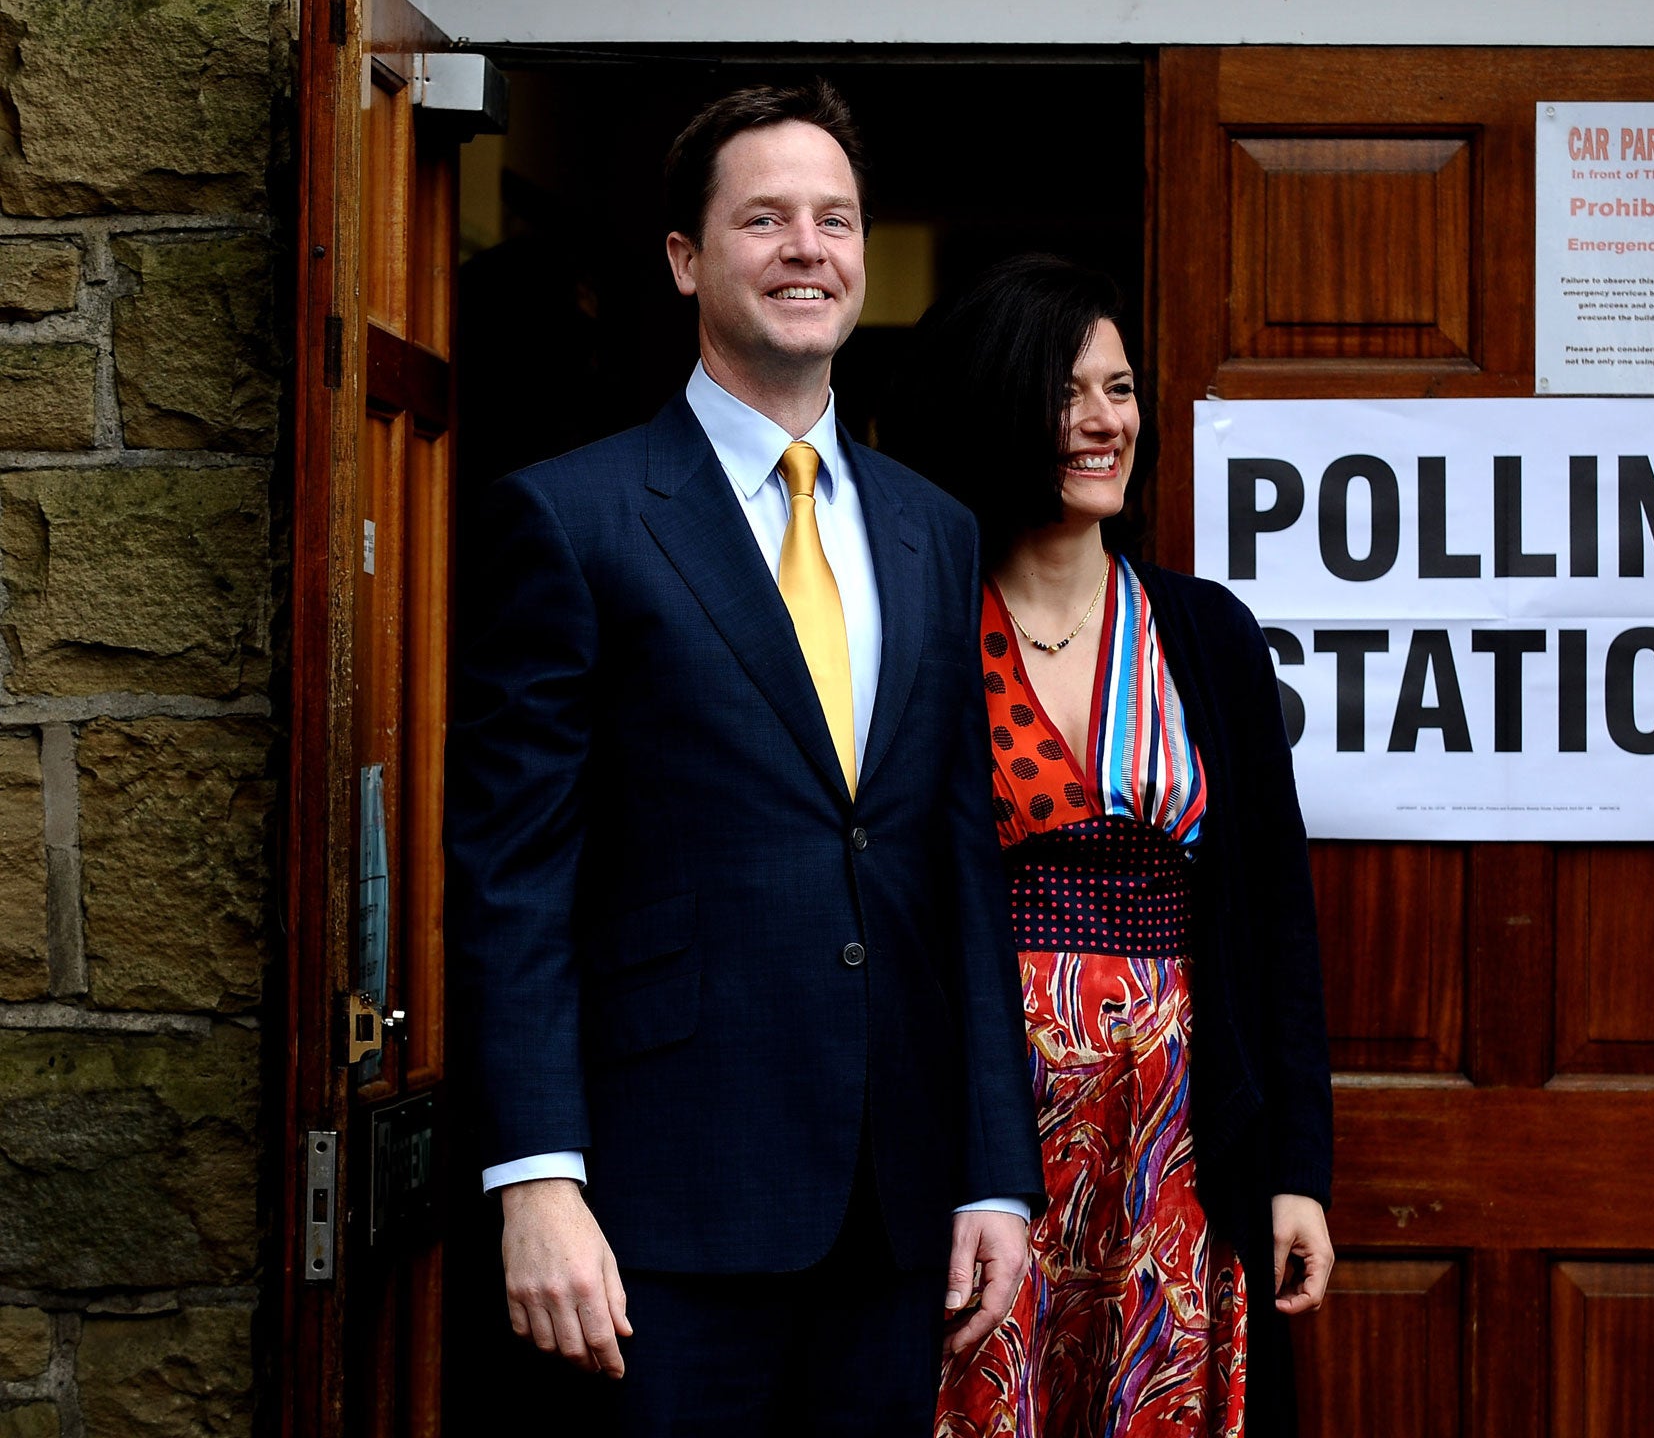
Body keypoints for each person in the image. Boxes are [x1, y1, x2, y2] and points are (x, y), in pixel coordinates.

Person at [444, 80, 1044, 1436]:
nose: (806, 248)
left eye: (834, 220)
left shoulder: (931, 530)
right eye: (763, 218)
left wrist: (994, 1174)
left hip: (895, 1215)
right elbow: (513, 876)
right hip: (661, 1209)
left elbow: (957, 860)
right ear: (684, 259)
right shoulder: (570, 517)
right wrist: (539, 1179)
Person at [912, 256, 1337, 1437]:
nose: (1104, 423)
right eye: (1065, 393)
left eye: (1120, 388)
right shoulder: (920, 629)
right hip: (980, 1122)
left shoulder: (1205, 633)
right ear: (999, 403)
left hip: (1178, 1134)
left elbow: (1278, 920)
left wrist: (1298, 1165)